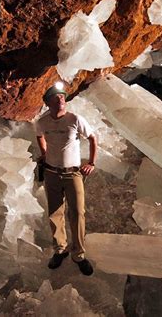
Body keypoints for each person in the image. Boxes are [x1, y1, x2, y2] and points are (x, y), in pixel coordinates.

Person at [35, 81, 97, 276]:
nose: (61, 98)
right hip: (52, 173)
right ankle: (60, 250)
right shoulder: (43, 122)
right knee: (55, 213)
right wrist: (44, 153)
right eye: (56, 96)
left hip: (73, 173)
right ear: (48, 102)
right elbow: (39, 135)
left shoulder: (75, 119)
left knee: (78, 212)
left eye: (62, 96)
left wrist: (91, 163)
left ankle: (78, 254)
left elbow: (93, 138)